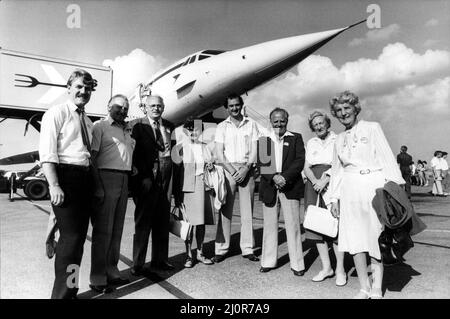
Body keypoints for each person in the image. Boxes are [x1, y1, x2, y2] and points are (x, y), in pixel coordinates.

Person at [328, 91, 404, 299]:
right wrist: (334, 198)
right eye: (339, 111)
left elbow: (387, 158)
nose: (344, 113)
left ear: (355, 108)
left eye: (347, 108)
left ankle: (377, 287)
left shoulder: (372, 128)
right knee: (355, 239)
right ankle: (364, 287)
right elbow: (337, 171)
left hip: (373, 186)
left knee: (375, 237)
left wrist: (394, 191)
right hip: (350, 190)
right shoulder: (338, 139)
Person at [39, 69, 97, 299]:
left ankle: (71, 290)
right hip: (65, 178)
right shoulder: (57, 113)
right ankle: (61, 296)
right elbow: (47, 153)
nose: (84, 91)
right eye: (79, 87)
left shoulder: (88, 121)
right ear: (69, 88)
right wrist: (54, 185)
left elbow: (88, 155)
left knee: (78, 241)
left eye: (88, 88)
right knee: (71, 239)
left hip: (84, 179)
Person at [89, 94, 135, 292]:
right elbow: (92, 158)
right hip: (106, 177)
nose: (122, 111)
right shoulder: (100, 127)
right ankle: (98, 278)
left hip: (124, 178)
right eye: (119, 107)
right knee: (103, 231)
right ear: (108, 106)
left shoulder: (126, 129)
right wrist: (97, 185)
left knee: (116, 230)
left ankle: (112, 271)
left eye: (125, 108)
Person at [257, 108, 305, 276]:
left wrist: (284, 177)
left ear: (287, 120)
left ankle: (297, 265)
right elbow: (262, 165)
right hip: (270, 187)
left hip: (290, 187)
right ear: (271, 122)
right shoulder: (264, 140)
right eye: (275, 121)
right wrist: (275, 178)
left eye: (282, 120)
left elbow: (299, 162)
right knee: (270, 227)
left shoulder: (296, 138)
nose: (279, 124)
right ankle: (268, 262)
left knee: (293, 227)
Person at [130, 95, 175, 275]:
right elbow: (132, 153)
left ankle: (160, 260)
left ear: (163, 107)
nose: (156, 108)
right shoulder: (137, 126)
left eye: (159, 105)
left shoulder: (170, 126)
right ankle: (138, 264)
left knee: (162, 221)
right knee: (143, 222)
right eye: (153, 106)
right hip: (147, 178)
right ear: (145, 108)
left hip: (166, 177)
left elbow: (174, 151)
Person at [213, 93, 259, 263]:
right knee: (225, 211)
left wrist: (246, 168)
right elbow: (219, 153)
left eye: (237, 105)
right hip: (228, 169)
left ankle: (248, 248)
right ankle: (221, 248)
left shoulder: (251, 124)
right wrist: (233, 171)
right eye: (231, 106)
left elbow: (255, 149)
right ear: (227, 108)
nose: (234, 108)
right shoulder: (221, 127)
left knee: (248, 212)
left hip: (247, 169)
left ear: (241, 105)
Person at [303, 110, 346, 286]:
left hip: (333, 183)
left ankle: (340, 270)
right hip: (313, 186)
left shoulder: (338, 139)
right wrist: (314, 181)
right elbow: (306, 166)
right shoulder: (311, 142)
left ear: (327, 124)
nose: (319, 126)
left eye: (321, 123)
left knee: (335, 226)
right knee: (316, 226)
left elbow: (340, 163)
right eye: (315, 125)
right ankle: (326, 267)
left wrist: (325, 179)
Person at [173, 119, 216, 268]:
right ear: (185, 131)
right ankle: (188, 255)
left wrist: (211, 166)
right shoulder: (180, 149)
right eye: (190, 129)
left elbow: (213, 168)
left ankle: (200, 252)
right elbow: (176, 174)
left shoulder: (206, 148)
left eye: (196, 129)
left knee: (201, 223)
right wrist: (177, 195)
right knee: (189, 225)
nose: (193, 132)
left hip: (203, 187)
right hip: (187, 188)